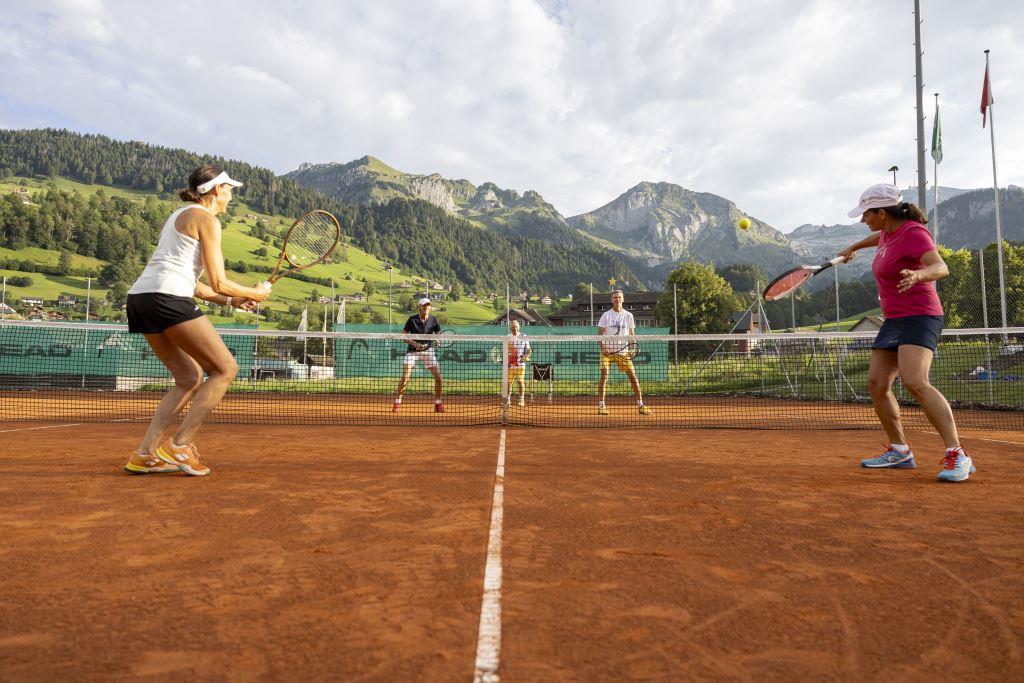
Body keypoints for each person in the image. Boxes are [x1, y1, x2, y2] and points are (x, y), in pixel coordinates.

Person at [123, 165, 272, 477]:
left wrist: (234, 300)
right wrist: (254, 293)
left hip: (141, 299)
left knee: (189, 377)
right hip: (167, 299)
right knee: (226, 369)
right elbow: (218, 281)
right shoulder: (206, 219)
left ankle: (144, 454)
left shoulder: (180, 215)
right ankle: (180, 445)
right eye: (229, 189)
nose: (231, 196)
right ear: (216, 190)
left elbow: (199, 286)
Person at [838, 183, 973, 482]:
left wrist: (919, 275)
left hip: (920, 316)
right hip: (894, 319)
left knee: (915, 381)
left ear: (882, 213)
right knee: (876, 383)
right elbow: (878, 238)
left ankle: (958, 454)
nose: (863, 220)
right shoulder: (888, 232)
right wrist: (854, 248)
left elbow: (941, 267)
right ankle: (900, 451)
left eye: (866, 214)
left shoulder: (914, 233)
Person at [596, 290, 651, 416]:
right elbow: (599, 335)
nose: (617, 299)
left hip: (624, 353)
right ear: (611, 300)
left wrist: (633, 347)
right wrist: (603, 348)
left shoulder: (629, 316)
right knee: (604, 376)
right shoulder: (606, 315)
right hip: (607, 353)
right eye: (615, 297)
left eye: (619, 297)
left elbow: (632, 334)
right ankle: (601, 406)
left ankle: (641, 405)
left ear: (623, 299)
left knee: (633, 377)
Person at [393, 297, 444, 413]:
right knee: (405, 377)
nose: (426, 307)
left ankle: (438, 403)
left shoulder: (434, 320)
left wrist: (437, 340)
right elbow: (404, 336)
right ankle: (397, 402)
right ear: (419, 307)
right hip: (412, 351)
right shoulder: (412, 320)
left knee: (439, 378)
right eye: (424, 305)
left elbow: (438, 334)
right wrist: (414, 343)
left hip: (428, 351)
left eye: (428, 306)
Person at [507, 319, 532, 407]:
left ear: (519, 327)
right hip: (510, 365)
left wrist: (526, 357)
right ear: (510, 328)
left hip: (520, 365)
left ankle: (521, 400)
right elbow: (505, 351)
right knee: (509, 383)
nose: (515, 329)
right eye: (513, 327)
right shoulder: (507, 337)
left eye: (516, 327)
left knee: (520, 382)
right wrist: (506, 360)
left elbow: (529, 350)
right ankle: (507, 400)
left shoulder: (523, 336)